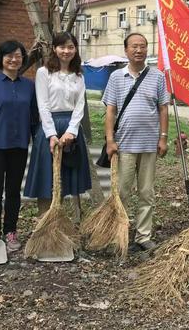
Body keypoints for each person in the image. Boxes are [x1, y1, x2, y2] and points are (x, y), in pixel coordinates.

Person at [103, 33, 169, 251]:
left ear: (146, 49)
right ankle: (116, 235)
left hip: (150, 144)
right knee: (121, 192)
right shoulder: (115, 77)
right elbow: (110, 110)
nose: (138, 50)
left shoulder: (157, 76)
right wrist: (110, 140)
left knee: (146, 192)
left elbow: (163, 108)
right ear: (126, 50)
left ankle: (143, 236)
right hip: (124, 145)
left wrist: (163, 138)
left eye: (142, 46)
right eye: (134, 46)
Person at [24, 32, 91, 215]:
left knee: (69, 179)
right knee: (47, 180)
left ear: (75, 49)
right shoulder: (44, 73)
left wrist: (72, 131)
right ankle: (45, 223)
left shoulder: (79, 75)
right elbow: (43, 106)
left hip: (72, 129)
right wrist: (52, 134)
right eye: (62, 46)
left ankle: (66, 223)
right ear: (54, 49)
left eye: (71, 47)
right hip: (49, 128)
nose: (66, 51)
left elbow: (80, 106)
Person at [0, 41, 38, 251]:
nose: (14, 59)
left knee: (13, 191)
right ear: (1, 58)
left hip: (19, 145)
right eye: (9, 55)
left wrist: (38, 140)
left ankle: (10, 230)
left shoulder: (29, 86)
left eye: (18, 55)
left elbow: (34, 117)